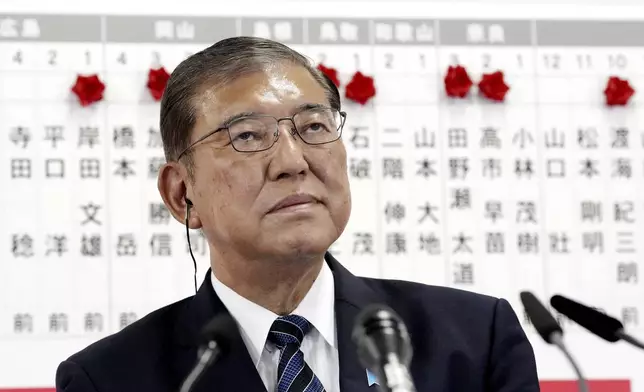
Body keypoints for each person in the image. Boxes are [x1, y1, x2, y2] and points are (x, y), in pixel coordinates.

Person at [55, 36, 539, 392]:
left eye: (313, 126)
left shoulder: (474, 340)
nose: (293, 161)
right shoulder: (110, 379)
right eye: (246, 136)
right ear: (183, 194)